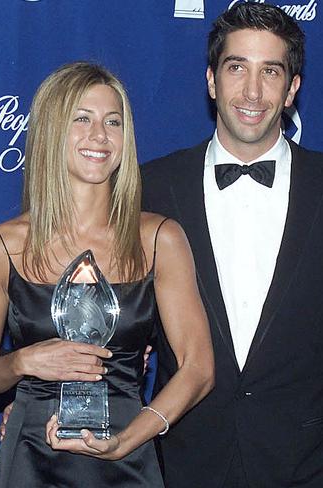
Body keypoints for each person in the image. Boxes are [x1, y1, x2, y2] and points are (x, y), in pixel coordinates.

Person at [0, 62, 214, 487]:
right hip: (31, 459)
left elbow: (198, 367)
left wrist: (132, 436)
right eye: (82, 119)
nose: (99, 135)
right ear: (50, 132)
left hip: (129, 456)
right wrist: (22, 361)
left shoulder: (159, 238)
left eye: (112, 122)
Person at [141, 3, 323, 488]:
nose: (252, 91)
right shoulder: (151, 187)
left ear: (292, 90)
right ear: (211, 81)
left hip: (305, 462)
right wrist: (45, 396)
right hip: (182, 461)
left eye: (271, 72)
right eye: (236, 67)